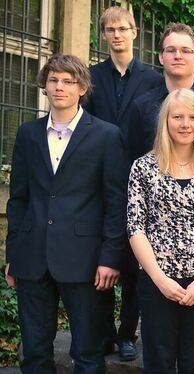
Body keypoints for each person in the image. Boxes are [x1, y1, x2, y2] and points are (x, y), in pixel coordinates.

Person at [4, 54, 127, 373]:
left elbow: (116, 202)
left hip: (85, 261)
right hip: (32, 258)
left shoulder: (106, 135)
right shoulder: (28, 134)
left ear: (82, 87)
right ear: (44, 85)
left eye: (68, 81)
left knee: (88, 355)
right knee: (34, 353)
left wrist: (110, 257)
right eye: (53, 80)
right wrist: (14, 253)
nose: (60, 87)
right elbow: (18, 199)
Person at [127, 88, 194, 372]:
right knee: (158, 362)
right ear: (165, 121)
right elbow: (136, 228)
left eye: (192, 117)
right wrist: (160, 280)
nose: (185, 124)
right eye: (178, 117)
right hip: (157, 282)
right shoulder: (144, 168)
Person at [83, 6, 163, 360]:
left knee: (133, 260)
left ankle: (127, 333)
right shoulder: (91, 76)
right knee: (100, 254)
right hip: (98, 176)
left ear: (134, 33)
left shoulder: (153, 78)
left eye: (123, 28)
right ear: (103, 35)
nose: (116, 34)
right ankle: (101, 333)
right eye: (110, 29)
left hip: (139, 174)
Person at [127, 22, 194, 162]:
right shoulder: (141, 107)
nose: (178, 56)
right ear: (161, 58)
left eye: (185, 50)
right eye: (170, 50)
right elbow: (131, 159)